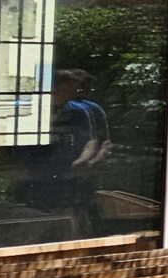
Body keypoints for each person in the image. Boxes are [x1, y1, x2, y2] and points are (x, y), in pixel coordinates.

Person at [29, 68, 112, 234]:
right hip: (41, 174)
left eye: (78, 89)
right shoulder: (34, 109)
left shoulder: (83, 111)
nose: (75, 93)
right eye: (71, 88)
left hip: (75, 173)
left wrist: (85, 164)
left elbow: (96, 142)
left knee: (75, 212)